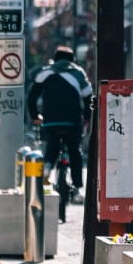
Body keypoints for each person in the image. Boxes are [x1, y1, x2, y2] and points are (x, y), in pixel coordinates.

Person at [27, 45, 93, 215]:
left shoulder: (45, 73)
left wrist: (35, 116)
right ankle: (78, 189)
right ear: (72, 60)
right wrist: (86, 118)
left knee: (52, 146)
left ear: (55, 59)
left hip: (50, 121)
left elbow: (31, 97)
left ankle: (48, 168)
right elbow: (88, 99)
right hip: (72, 121)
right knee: (74, 151)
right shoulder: (79, 73)